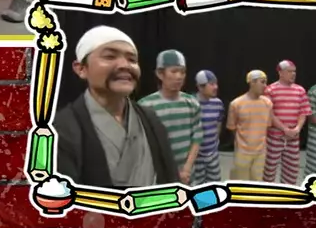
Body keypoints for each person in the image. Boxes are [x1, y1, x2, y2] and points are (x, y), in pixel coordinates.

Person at [55, 26, 179, 188]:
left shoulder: (150, 119)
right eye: (110, 56)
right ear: (81, 69)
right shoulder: (61, 130)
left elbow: (171, 178)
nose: (125, 65)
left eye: (132, 60)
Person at [137, 50, 204, 184]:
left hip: (187, 175)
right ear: (160, 74)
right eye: (174, 71)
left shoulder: (192, 103)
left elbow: (197, 138)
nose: (179, 76)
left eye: (182, 72)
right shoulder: (145, 106)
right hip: (157, 176)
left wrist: (186, 169)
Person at [264, 60, 312, 184]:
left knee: (292, 171)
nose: (293, 74)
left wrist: (297, 129)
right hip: (274, 138)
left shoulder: (300, 90)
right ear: (280, 73)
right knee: (269, 171)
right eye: (289, 71)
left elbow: (304, 112)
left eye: (294, 71)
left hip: (293, 138)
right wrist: (284, 129)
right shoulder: (270, 90)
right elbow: (269, 114)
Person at [227, 70, 273, 181]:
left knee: (256, 183)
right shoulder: (236, 104)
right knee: (240, 183)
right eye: (262, 82)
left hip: (260, 152)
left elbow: (267, 126)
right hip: (242, 152)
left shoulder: (267, 103)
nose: (265, 86)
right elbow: (232, 127)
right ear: (252, 82)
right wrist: (242, 142)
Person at [192, 70, 225, 185]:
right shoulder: (191, 103)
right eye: (211, 84)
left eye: (216, 83)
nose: (216, 87)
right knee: (198, 186)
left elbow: (218, 124)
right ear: (200, 87)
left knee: (215, 184)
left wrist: (215, 142)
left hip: (212, 153)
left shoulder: (218, 103)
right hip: (196, 156)